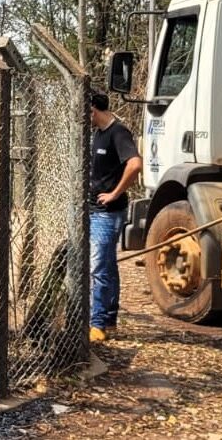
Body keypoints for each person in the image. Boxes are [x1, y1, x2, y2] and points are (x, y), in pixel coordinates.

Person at [88, 91, 141, 343]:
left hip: (107, 213)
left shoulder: (118, 132)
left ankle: (97, 324)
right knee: (108, 265)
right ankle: (109, 320)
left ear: (92, 109)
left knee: (98, 267)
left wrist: (114, 193)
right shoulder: (97, 134)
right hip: (94, 209)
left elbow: (135, 164)